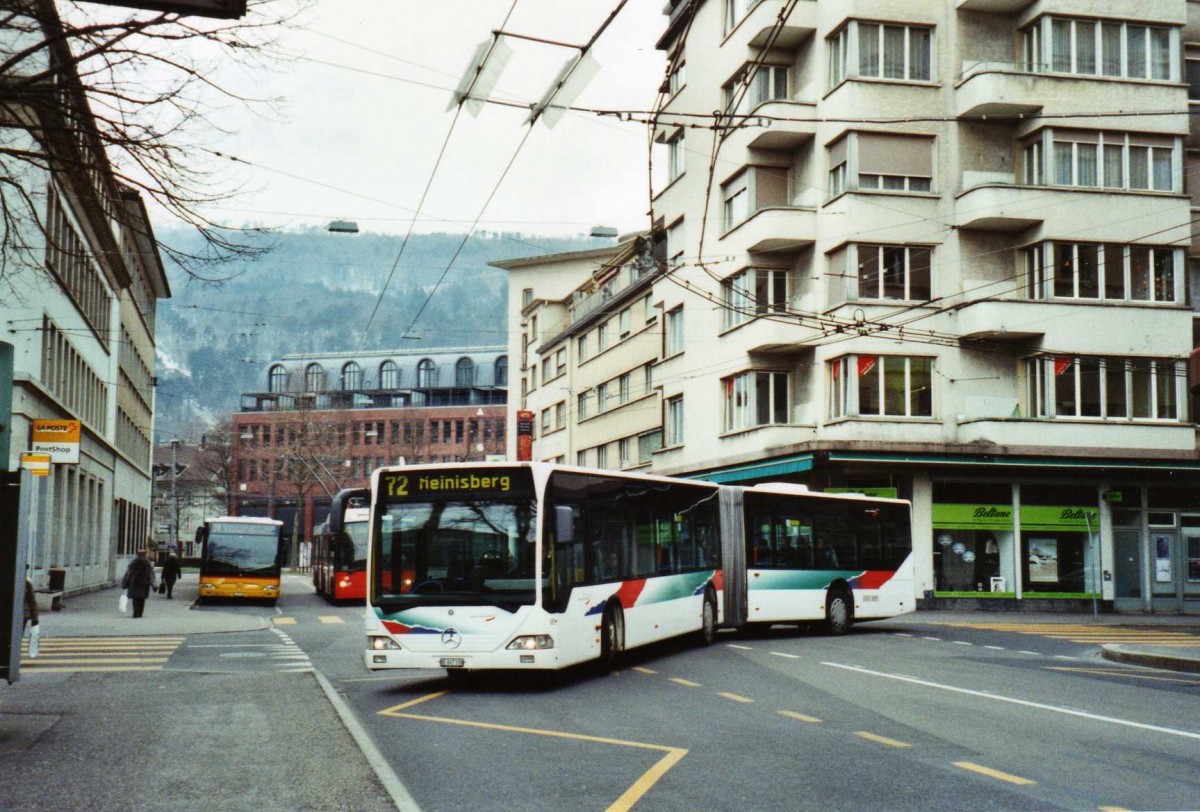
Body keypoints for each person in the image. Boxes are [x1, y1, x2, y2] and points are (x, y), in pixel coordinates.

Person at [121, 550, 157, 619]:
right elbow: (151, 575)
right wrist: (154, 585)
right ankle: (140, 613)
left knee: (135, 599)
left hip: (134, 583)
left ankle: (135, 612)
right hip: (144, 583)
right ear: (145, 554)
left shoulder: (133, 563)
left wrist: (124, 583)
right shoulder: (148, 563)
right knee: (142, 599)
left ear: (137, 554)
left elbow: (128, 573)